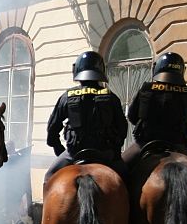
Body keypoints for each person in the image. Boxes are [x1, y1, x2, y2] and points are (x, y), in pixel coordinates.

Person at [45, 51, 127, 183]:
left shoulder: (67, 96)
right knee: (128, 181)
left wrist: (59, 149)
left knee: (49, 178)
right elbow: (122, 128)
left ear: (77, 71)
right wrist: (115, 150)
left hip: (73, 153)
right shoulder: (111, 96)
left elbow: (52, 129)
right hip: (105, 154)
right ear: (101, 71)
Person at [122, 52, 187, 166]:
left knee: (119, 170)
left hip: (145, 144)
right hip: (179, 145)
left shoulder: (147, 89)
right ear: (182, 71)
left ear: (157, 69)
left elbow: (132, 117)